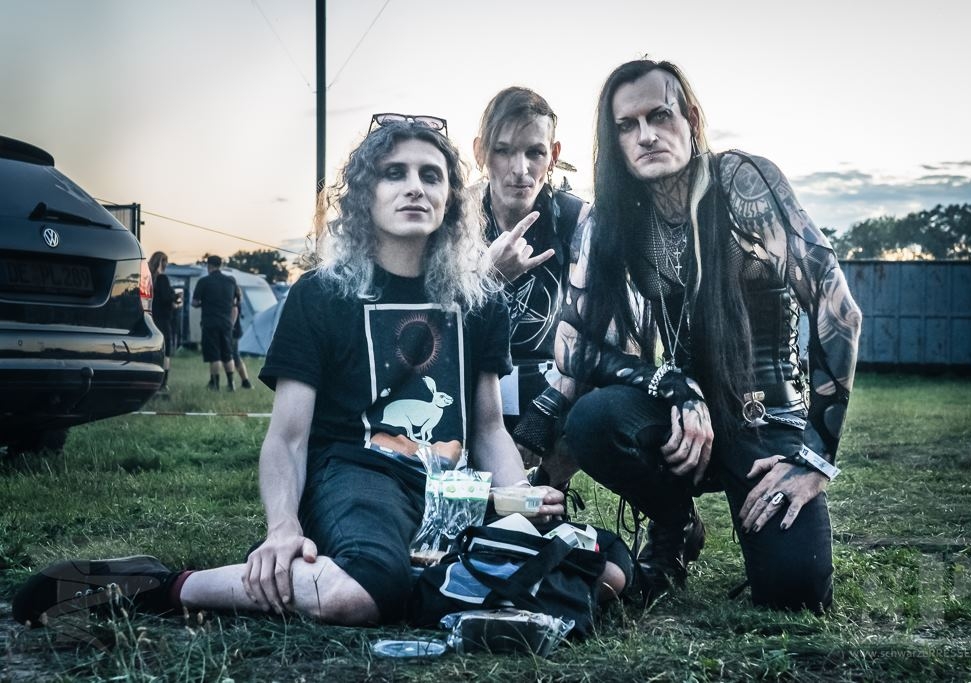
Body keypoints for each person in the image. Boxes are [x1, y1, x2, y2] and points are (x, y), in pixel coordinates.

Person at [13, 117, 629, 630]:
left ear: (450, 200)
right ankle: (162, 585)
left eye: (430, 176)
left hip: (454, 487)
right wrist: (281, 528)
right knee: (358, 594)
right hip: (356, 474)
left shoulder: (479, 299)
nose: (414, 188)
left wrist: (518, 501)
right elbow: (287, 437)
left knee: (605, 572)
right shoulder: (321, 293)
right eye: (394, 173)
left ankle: (431, 583)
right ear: (365, 195)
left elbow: (489, 427)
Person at [556, 60, 862, 611]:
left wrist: (814, 456)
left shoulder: (742, 181)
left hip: (764, 417)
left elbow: (838, 310)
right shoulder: (617, 218)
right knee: (593, 421)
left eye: (659, 116)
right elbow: (572, 346)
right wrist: (671, 385)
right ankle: (675, 526)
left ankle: (766, 530)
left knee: (794, 592)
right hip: (684, 422)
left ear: (690, 119)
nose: (646, 135)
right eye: (626, 125)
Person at [473, 87, 590, 489]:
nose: (520, 168)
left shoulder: (578, 220)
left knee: (606, 390)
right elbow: (432, 327)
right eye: (503, 150)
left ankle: (548, 485)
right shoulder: (455, 219)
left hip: (551, 379)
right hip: (477, 375)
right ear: (480, 152)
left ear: (553, 155)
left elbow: (605, 334)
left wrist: (548, 408)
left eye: (534, 152)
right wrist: (487, 279)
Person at [191, 255, 238, 391]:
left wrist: (204, 303)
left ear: (209, 266)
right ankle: (231, 384)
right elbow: (235, 302)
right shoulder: (231, 281)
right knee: (228, 355)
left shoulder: (204, 281)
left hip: (210, 322)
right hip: (226, 323)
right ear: (220, 265)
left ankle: (215, 385)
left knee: (214, 355)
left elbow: (194, 302)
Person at [148, 251, 179, 396]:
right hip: (163, 320)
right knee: (166, 352)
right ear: (162, 262)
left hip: (150, 319)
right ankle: (163, 383)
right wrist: (175, 297)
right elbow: (166, 299)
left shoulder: (148, 278)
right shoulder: (162, 279)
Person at [230, 286, 253, 389]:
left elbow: (234, 311)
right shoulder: (237, 300)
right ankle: (244, 382)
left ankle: (245, 381)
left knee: (235, 356)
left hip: (233, 332)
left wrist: (230, 327)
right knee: (234, 356)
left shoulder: (234, 301)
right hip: (236, 331)